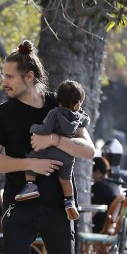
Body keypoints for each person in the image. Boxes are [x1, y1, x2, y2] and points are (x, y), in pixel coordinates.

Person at [0, 39, 95, 254]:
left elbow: (89, 151)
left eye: (10, 76)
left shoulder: (61, 103)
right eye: (4, 75)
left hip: (59, 206)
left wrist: (54, 139)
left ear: (29, 76)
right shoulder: (2, 114)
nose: (4, 81)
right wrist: (31, 163)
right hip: (18, 205)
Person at [15, 80, 90, 221]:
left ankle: (31, 186)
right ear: (77, 104)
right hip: (68, 156)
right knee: (65, 180)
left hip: (51, 151)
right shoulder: (79, 117)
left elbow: (45, 129)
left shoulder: (54, 113)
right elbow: (86, 121)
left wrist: (33, 128)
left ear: (58, 99)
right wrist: (81, 114)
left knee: (31, 158)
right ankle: (69, 201)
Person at [91, 156, 121, 233]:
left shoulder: (98, 187)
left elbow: (93, 212)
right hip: (111, 229)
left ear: (97, 172)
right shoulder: (115, 186)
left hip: (98, 229)